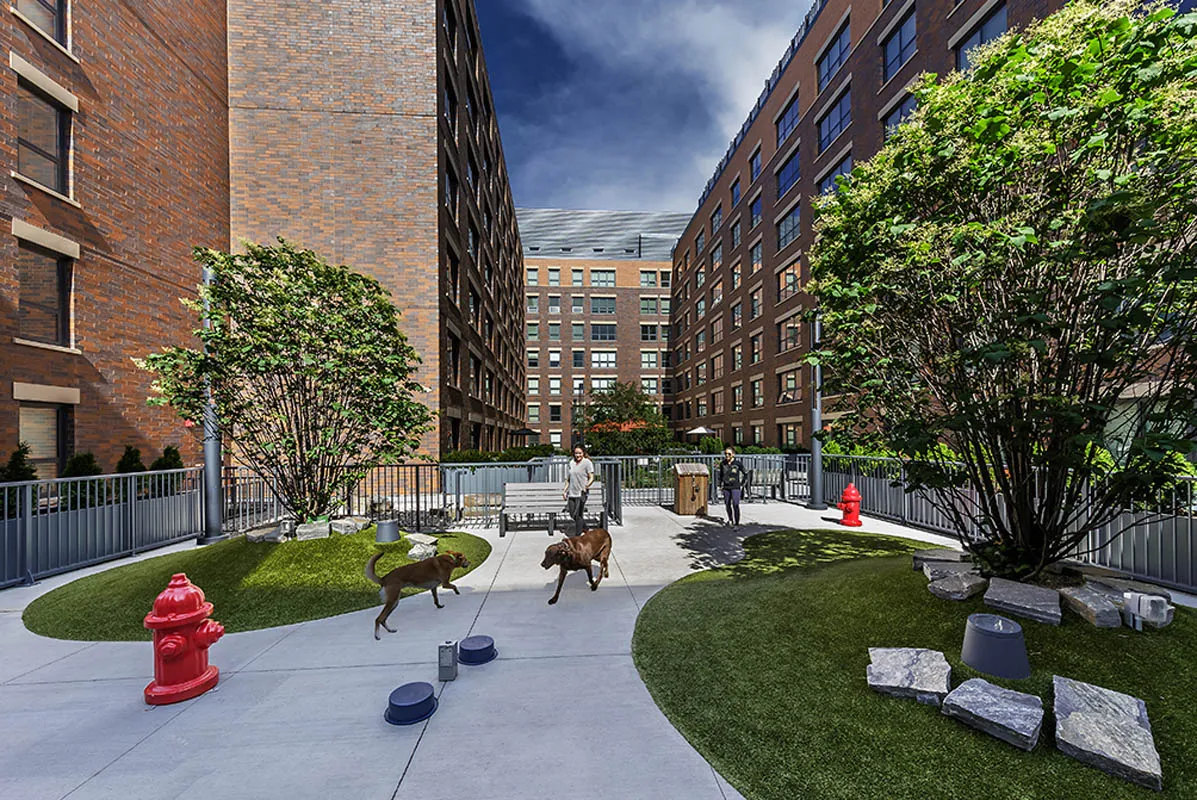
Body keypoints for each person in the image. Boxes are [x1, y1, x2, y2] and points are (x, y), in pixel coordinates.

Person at [562, 445, 596, 536]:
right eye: (576, 453)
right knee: (572, 514)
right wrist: (564, 491)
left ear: (583, 453)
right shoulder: (571, 463)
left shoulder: (587, 463)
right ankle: (586, 528)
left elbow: (591, 477)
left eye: (580, 453)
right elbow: (568, 479)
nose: (578, 455)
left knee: (578, 515)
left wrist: (587, 486)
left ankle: (578, 536)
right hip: (572, 493)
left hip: (581, 493)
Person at [716, 447, 749, 528]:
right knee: (727, 504)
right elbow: (720, 476)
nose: (727, 455)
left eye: (729, 454)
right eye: (725, 454)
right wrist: (720, 485)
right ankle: (730, 519)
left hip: (735, 487)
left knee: (735, 504)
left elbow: (746, 473)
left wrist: (742, 484)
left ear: (733, 454)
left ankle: (737, 523)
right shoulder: (723, 463)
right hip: (726, 487)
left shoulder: (737, 463)